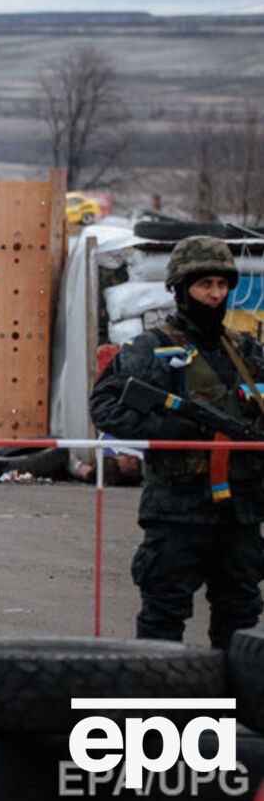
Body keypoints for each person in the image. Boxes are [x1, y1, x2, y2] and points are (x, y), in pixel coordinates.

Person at [91, 236, 264, 649]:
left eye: (222, 285)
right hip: (178, 509)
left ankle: (234, 708)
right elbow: (104, 406)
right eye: (205, 284)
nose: (215, 294)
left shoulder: (246, 350)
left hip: (240, 512)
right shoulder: (152, 349)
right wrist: (171, 431)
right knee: (163, 615)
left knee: (240, 616)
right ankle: (161, 707)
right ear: (181, 289)